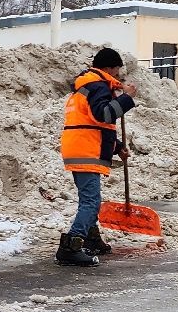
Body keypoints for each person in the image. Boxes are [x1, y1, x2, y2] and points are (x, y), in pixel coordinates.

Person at [57, 47, 136, 267]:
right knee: (91, 202)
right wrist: (127, 99)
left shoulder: (88, 85)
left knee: (89, 199)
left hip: (82, 146)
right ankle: (70, 246)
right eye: (117, 70)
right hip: (86, 150)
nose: (118, 76)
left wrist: (117, 146)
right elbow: (105, 114)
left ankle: (91, 238)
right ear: (110, 67)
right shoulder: (97, 85)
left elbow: (94, 124)